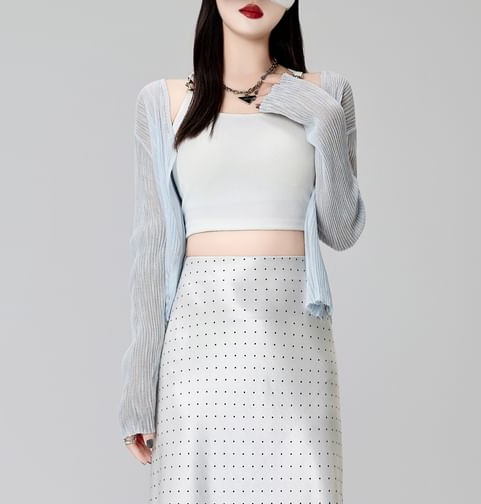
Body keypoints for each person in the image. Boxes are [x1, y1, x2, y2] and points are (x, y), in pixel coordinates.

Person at [118, 0, 366, 500]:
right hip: (197, 354)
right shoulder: (163, 102)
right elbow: (152, 250)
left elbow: (341, 230)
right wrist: (140, 386)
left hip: (296, 350)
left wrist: (323, 119)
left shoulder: (327, 94)